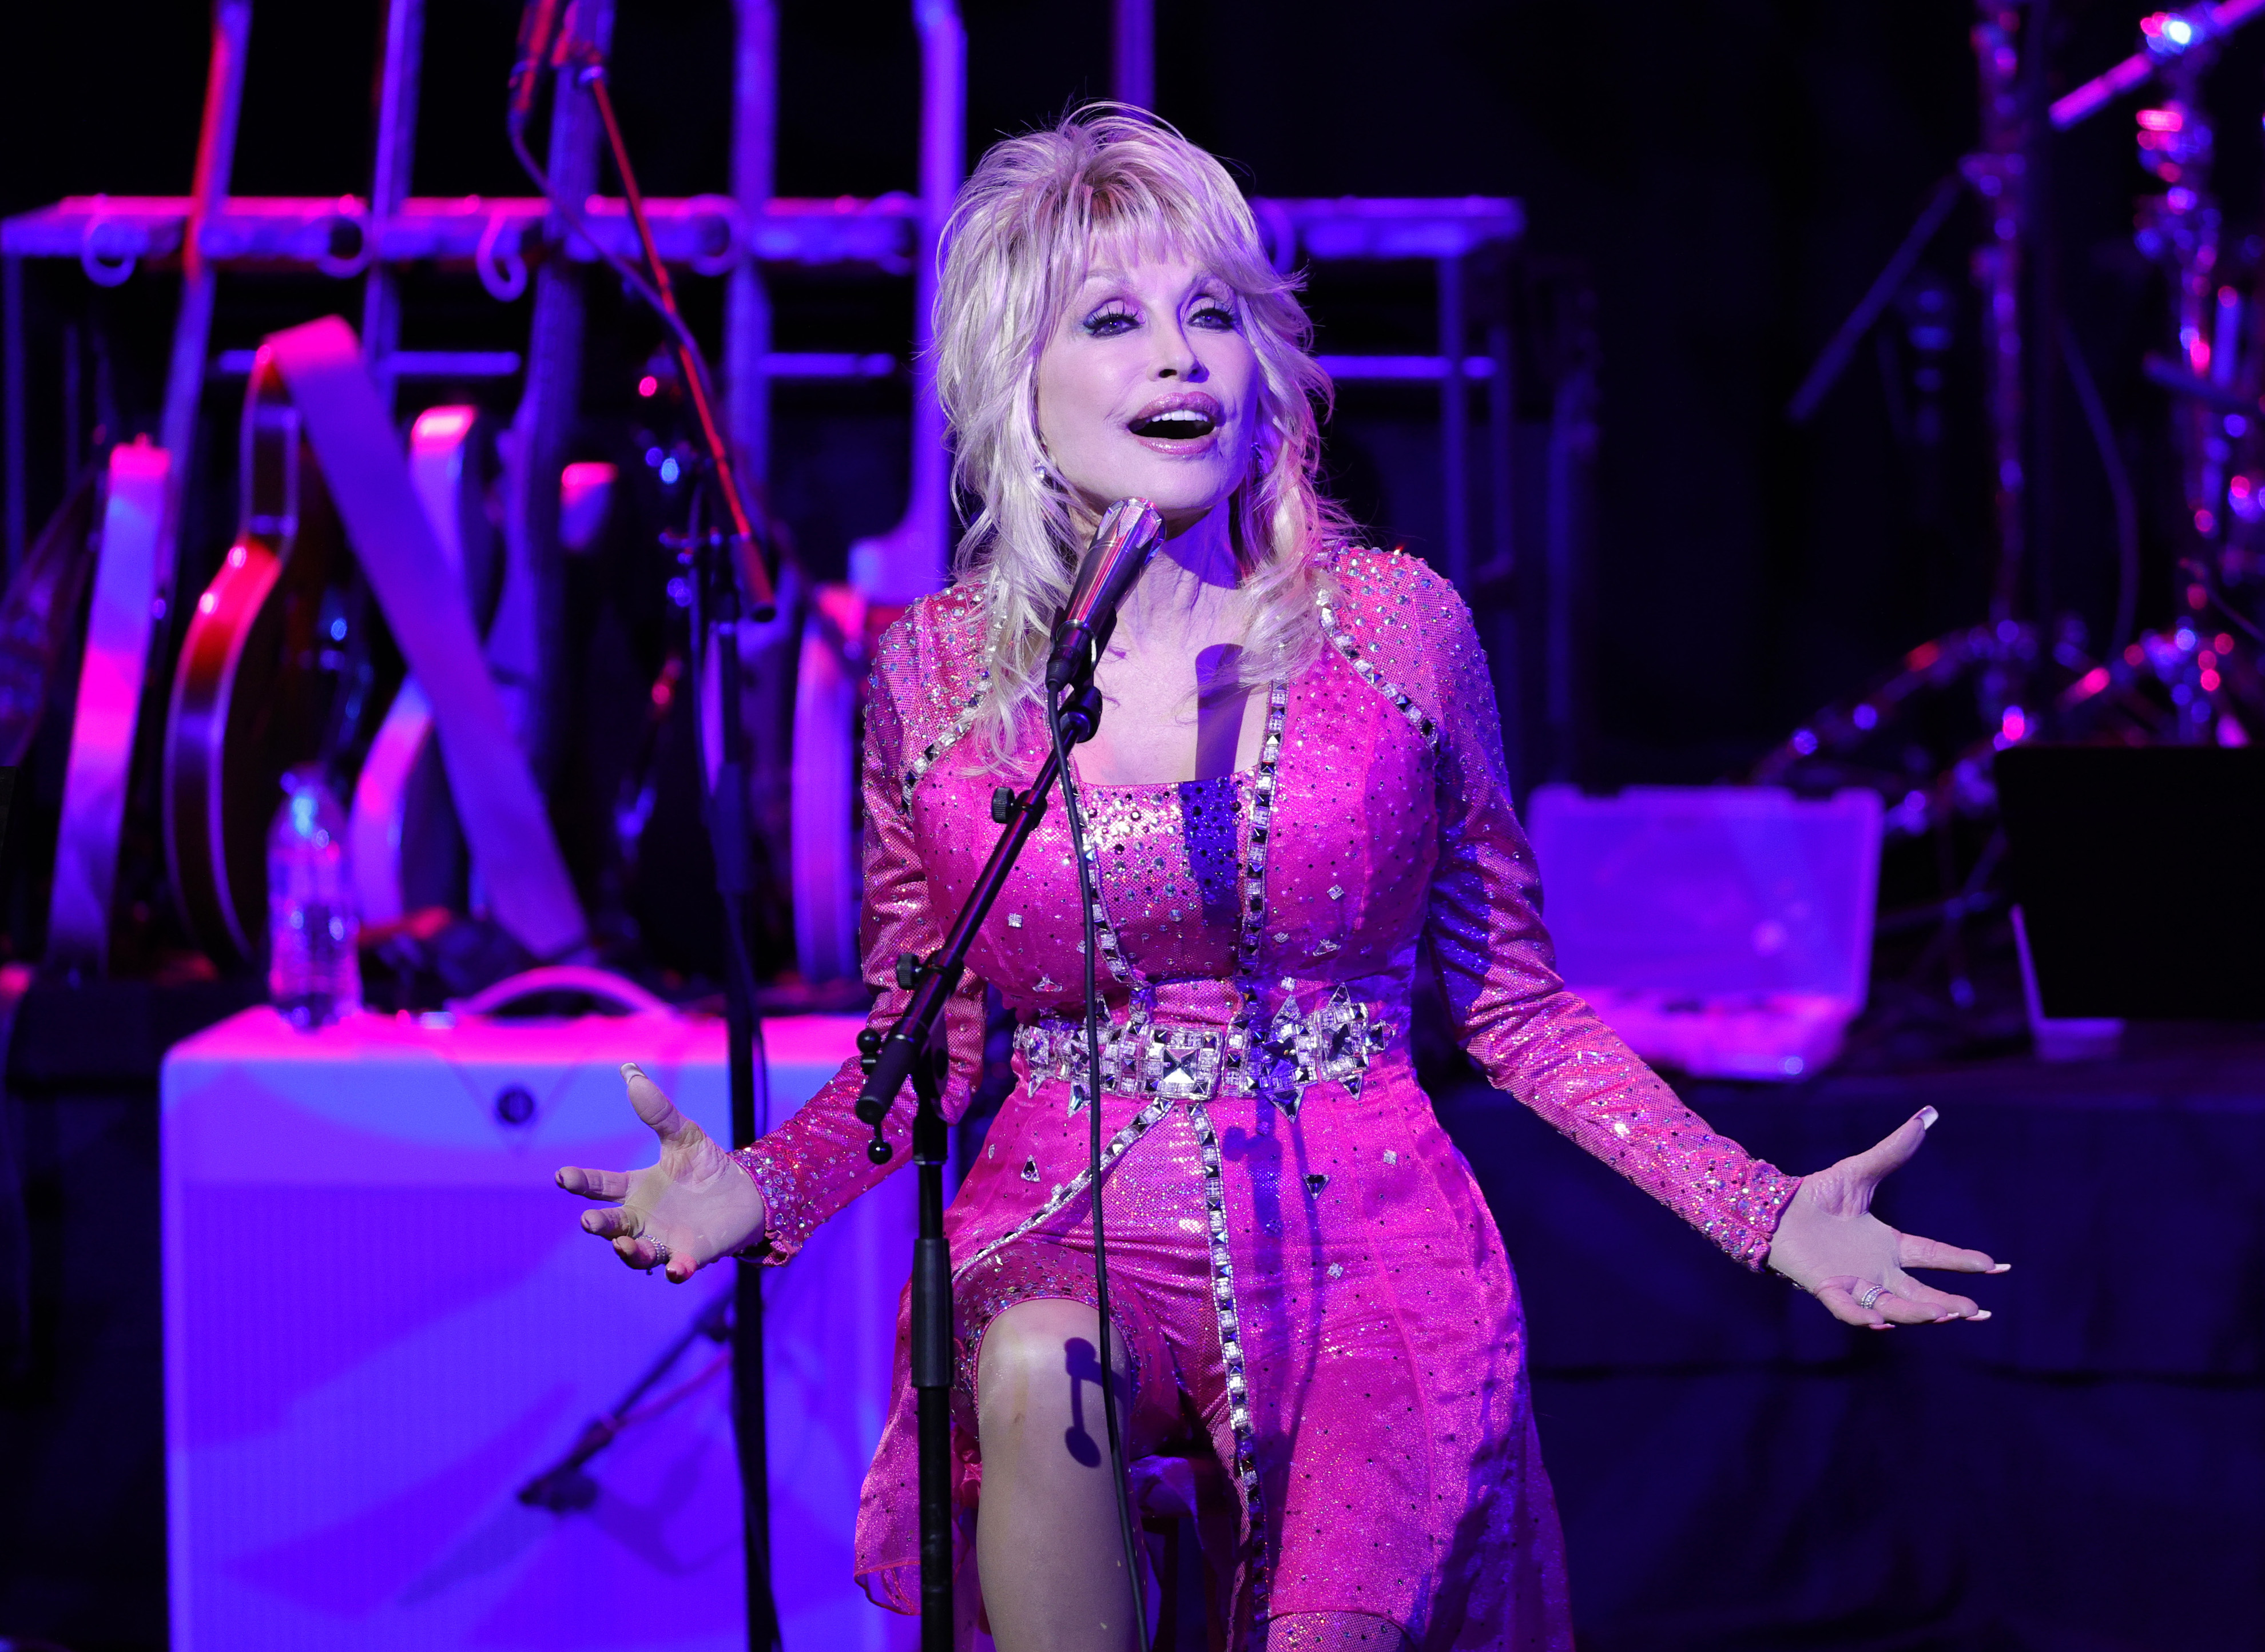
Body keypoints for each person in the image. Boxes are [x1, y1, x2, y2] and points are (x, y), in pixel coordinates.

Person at [555, 106, 2006, 1652]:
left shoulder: (1397, 630)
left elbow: (1515, 1007)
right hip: (1060, 1222)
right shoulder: (934, 673)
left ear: (1268, 361)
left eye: (1214, 314)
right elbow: (929, 1048)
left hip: (1373, 1252)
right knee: (1040, 1364)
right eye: (1112, 321)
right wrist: (765, 1187)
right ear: (1017, 392)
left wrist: (1764, 1210)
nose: (1179, 357)